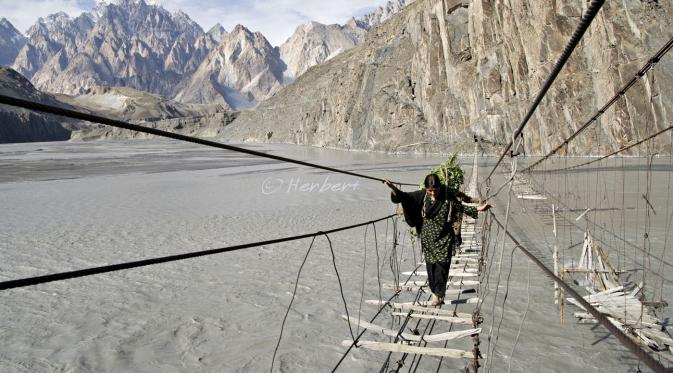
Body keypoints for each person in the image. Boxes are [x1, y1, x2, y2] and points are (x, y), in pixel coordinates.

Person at [383, 174, 492, 306]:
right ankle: (435, 291)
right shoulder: (422, 196)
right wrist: (394, 188)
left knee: (442, 267)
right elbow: (406, 197)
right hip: (428, 238)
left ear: (439, 188)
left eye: (435, 190)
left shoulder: (446, 197)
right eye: (430, 190)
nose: (433, 193)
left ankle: (438, 295)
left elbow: (460, 207)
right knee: (431, 268)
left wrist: (479, 209)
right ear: (426, 189)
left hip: (444, 237)